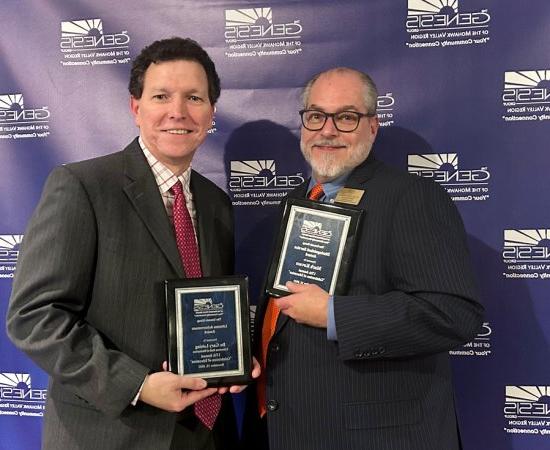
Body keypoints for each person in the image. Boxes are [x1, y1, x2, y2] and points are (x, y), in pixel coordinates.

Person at [6, 37, 258, 450]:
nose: (178, 111)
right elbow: (34, 317)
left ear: (211, 112)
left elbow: (205, 309)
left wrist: (231, 358)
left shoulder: (217, 205)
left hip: (204, 435)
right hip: (110, 433)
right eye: (162, 96)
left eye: (194, 98)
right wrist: (137, 384)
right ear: (136, 107)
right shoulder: (82, 187)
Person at [251, 67, 484, 450]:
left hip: (378, 436)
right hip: (292, 427)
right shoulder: (294, 201)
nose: (327, 130)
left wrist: (335, 315)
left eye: (346, 117)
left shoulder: (412, 197)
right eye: (316, 116)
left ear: (372, 127)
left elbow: (454, 313)